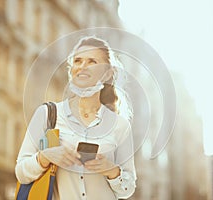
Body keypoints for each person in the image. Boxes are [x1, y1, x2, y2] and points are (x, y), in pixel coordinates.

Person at [15, 36, 136, 200]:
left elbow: (128, 189)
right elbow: (21, 173)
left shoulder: (120, 125)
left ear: (107, 73)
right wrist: (45, 157)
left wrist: (111, 171)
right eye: (77, 61)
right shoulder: (47, 114)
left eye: (92, 61)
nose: (82, 67)